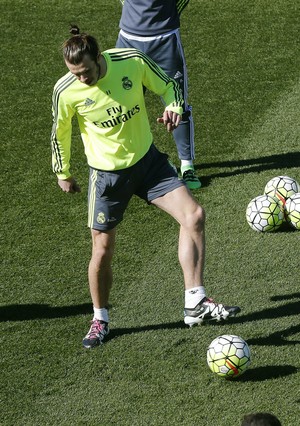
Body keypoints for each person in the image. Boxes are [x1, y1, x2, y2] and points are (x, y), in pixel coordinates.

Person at [51, 26, 240, 349]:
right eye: (74, 73)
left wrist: (174, 107)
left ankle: (195, 301)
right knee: (102, 250)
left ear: (99, 57)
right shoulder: (66, 90)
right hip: (108, 177)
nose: (81, 79)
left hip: (148, 162)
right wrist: (63, 172)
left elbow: (169, 85)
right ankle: (100, 319)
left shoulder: (130, 61)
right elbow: (60, 131)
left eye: (85, 72)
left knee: (193, 216)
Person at [116, 0, 201, 190]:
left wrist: (168, 15)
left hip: (165, 40)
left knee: (178, 103)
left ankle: (187, 165)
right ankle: (132, 165)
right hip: (128, 42)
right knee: (124, 108)